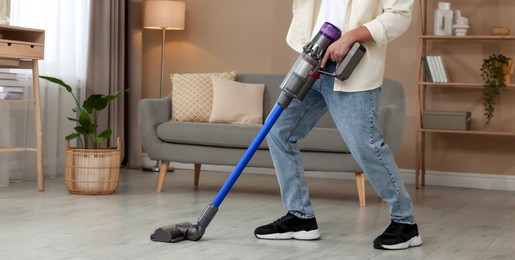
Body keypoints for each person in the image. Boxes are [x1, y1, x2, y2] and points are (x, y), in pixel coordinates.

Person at [254, 0, 422, 250]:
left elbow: (400, 15)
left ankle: (405, 223)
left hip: (351, 65)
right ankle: (300, 217)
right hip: (312, 58)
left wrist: (352, 36)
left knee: (366, 146)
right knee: (279, 131)